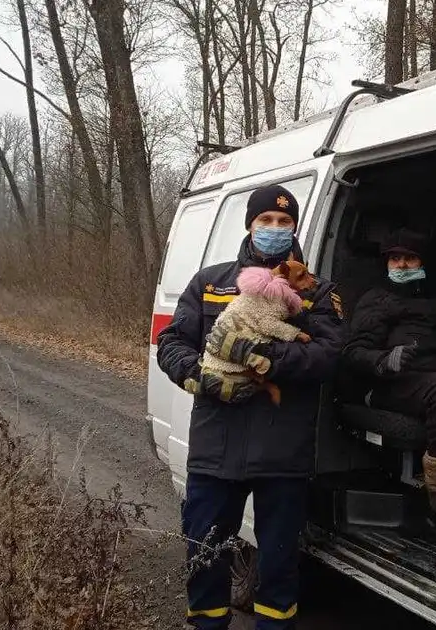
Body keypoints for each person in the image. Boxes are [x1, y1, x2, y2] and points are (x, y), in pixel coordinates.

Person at [156, 184, 344, 629]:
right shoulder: (210, 281)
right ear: (250, 225)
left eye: (284, 222)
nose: (275, 229)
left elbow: (328, 354)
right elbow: (172, 342)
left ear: (296, 228)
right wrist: (199, 376)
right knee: (204, 554)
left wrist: (263, 358)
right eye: (266, 221)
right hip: (215, 448)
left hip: (282, 452)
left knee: (277, 567)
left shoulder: (315, 290)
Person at [340, 228, 436, 524]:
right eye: (395, 259)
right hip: (389, 383)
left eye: (410, 258)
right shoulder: (378, 300)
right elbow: (353, 352)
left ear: (423, 263)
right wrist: (383, 359)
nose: (402, 265)